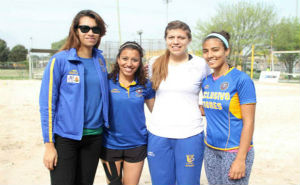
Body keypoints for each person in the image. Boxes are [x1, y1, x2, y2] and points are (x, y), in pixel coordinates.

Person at [39, 10, 109, 185]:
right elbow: (47, 104)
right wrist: (49, 145)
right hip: (66, 138)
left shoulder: (100, 61)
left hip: (94, 137)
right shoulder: (60, 60)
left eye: (95, 29)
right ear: (75, 30)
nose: (90, 33)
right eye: (85, 28)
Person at [147, 20, 211, 185]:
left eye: (181, 38)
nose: (176, 42)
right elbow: (149, 94)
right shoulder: (154, 63)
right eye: (171, 37)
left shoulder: (201, 65)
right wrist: (160, 113)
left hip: (190, 134)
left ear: (189, 40)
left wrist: (201, 110)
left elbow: (212, 93)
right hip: (158, 134)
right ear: (166, 39)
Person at [201, 31, 256, 185]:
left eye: (215, 50)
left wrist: (240, 158)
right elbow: (211, 108)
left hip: (234, 151)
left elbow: (249, 122)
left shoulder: (241, 80)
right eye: (206, 51)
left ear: (227, 51)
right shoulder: (206, 82)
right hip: (210, 148)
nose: (210, 55)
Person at [100, 41, 155, 185]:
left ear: (139, 62)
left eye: (134, 60)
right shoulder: (106, 82)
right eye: (125, 59)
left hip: (136, 145)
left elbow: (157, 112)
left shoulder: (146, 85)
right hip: (110, 145)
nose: (129, 64)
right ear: (118, 59)